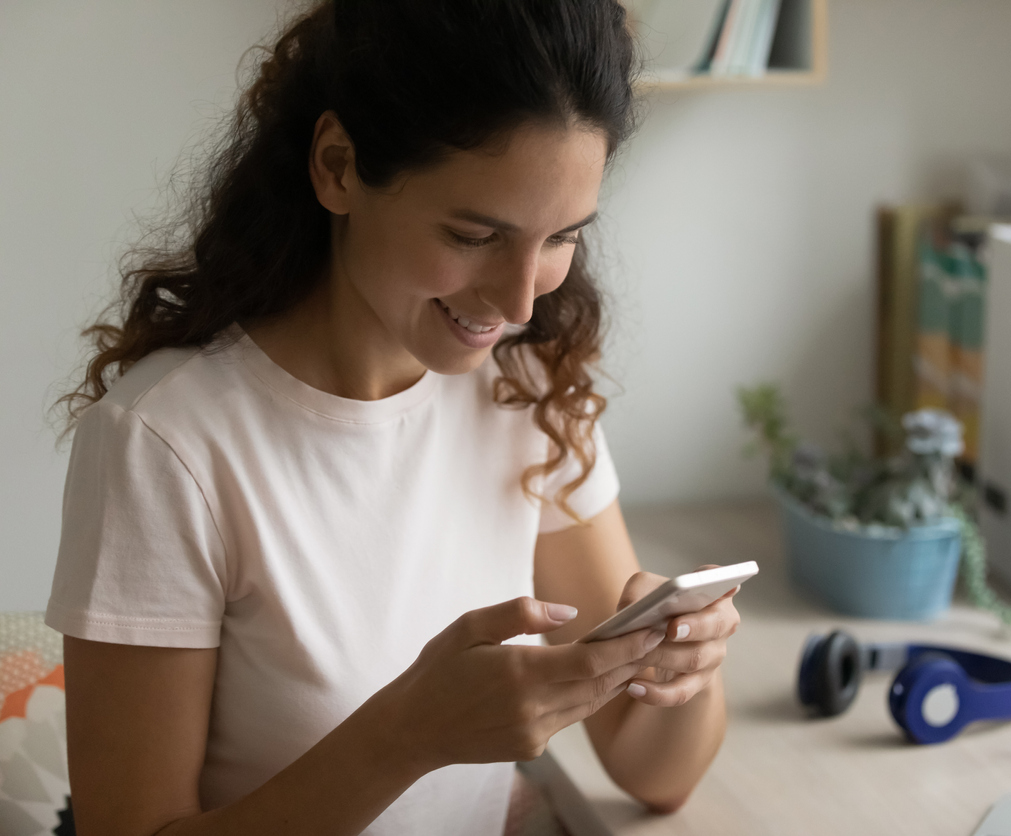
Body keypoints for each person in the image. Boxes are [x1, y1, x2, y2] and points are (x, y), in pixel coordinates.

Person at [45, 1, 741, 834]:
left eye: (562, 238)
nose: (520, 300)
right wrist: (408, 736)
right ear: (338, 166)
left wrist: (683, 668)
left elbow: (654, 770)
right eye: (475, 233)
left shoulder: (528, 397)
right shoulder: (165, 443)